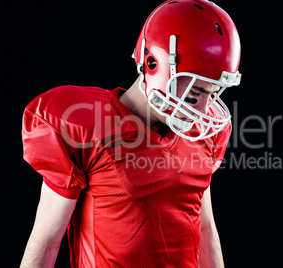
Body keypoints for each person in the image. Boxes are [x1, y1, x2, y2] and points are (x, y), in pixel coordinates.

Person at [20, 0, 241, 267]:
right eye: (195, 93)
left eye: (211, 93)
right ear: (152, 63)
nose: (204, 109)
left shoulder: (202, 132)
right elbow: (46, 241)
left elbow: (204, 227)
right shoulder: (88, 128)